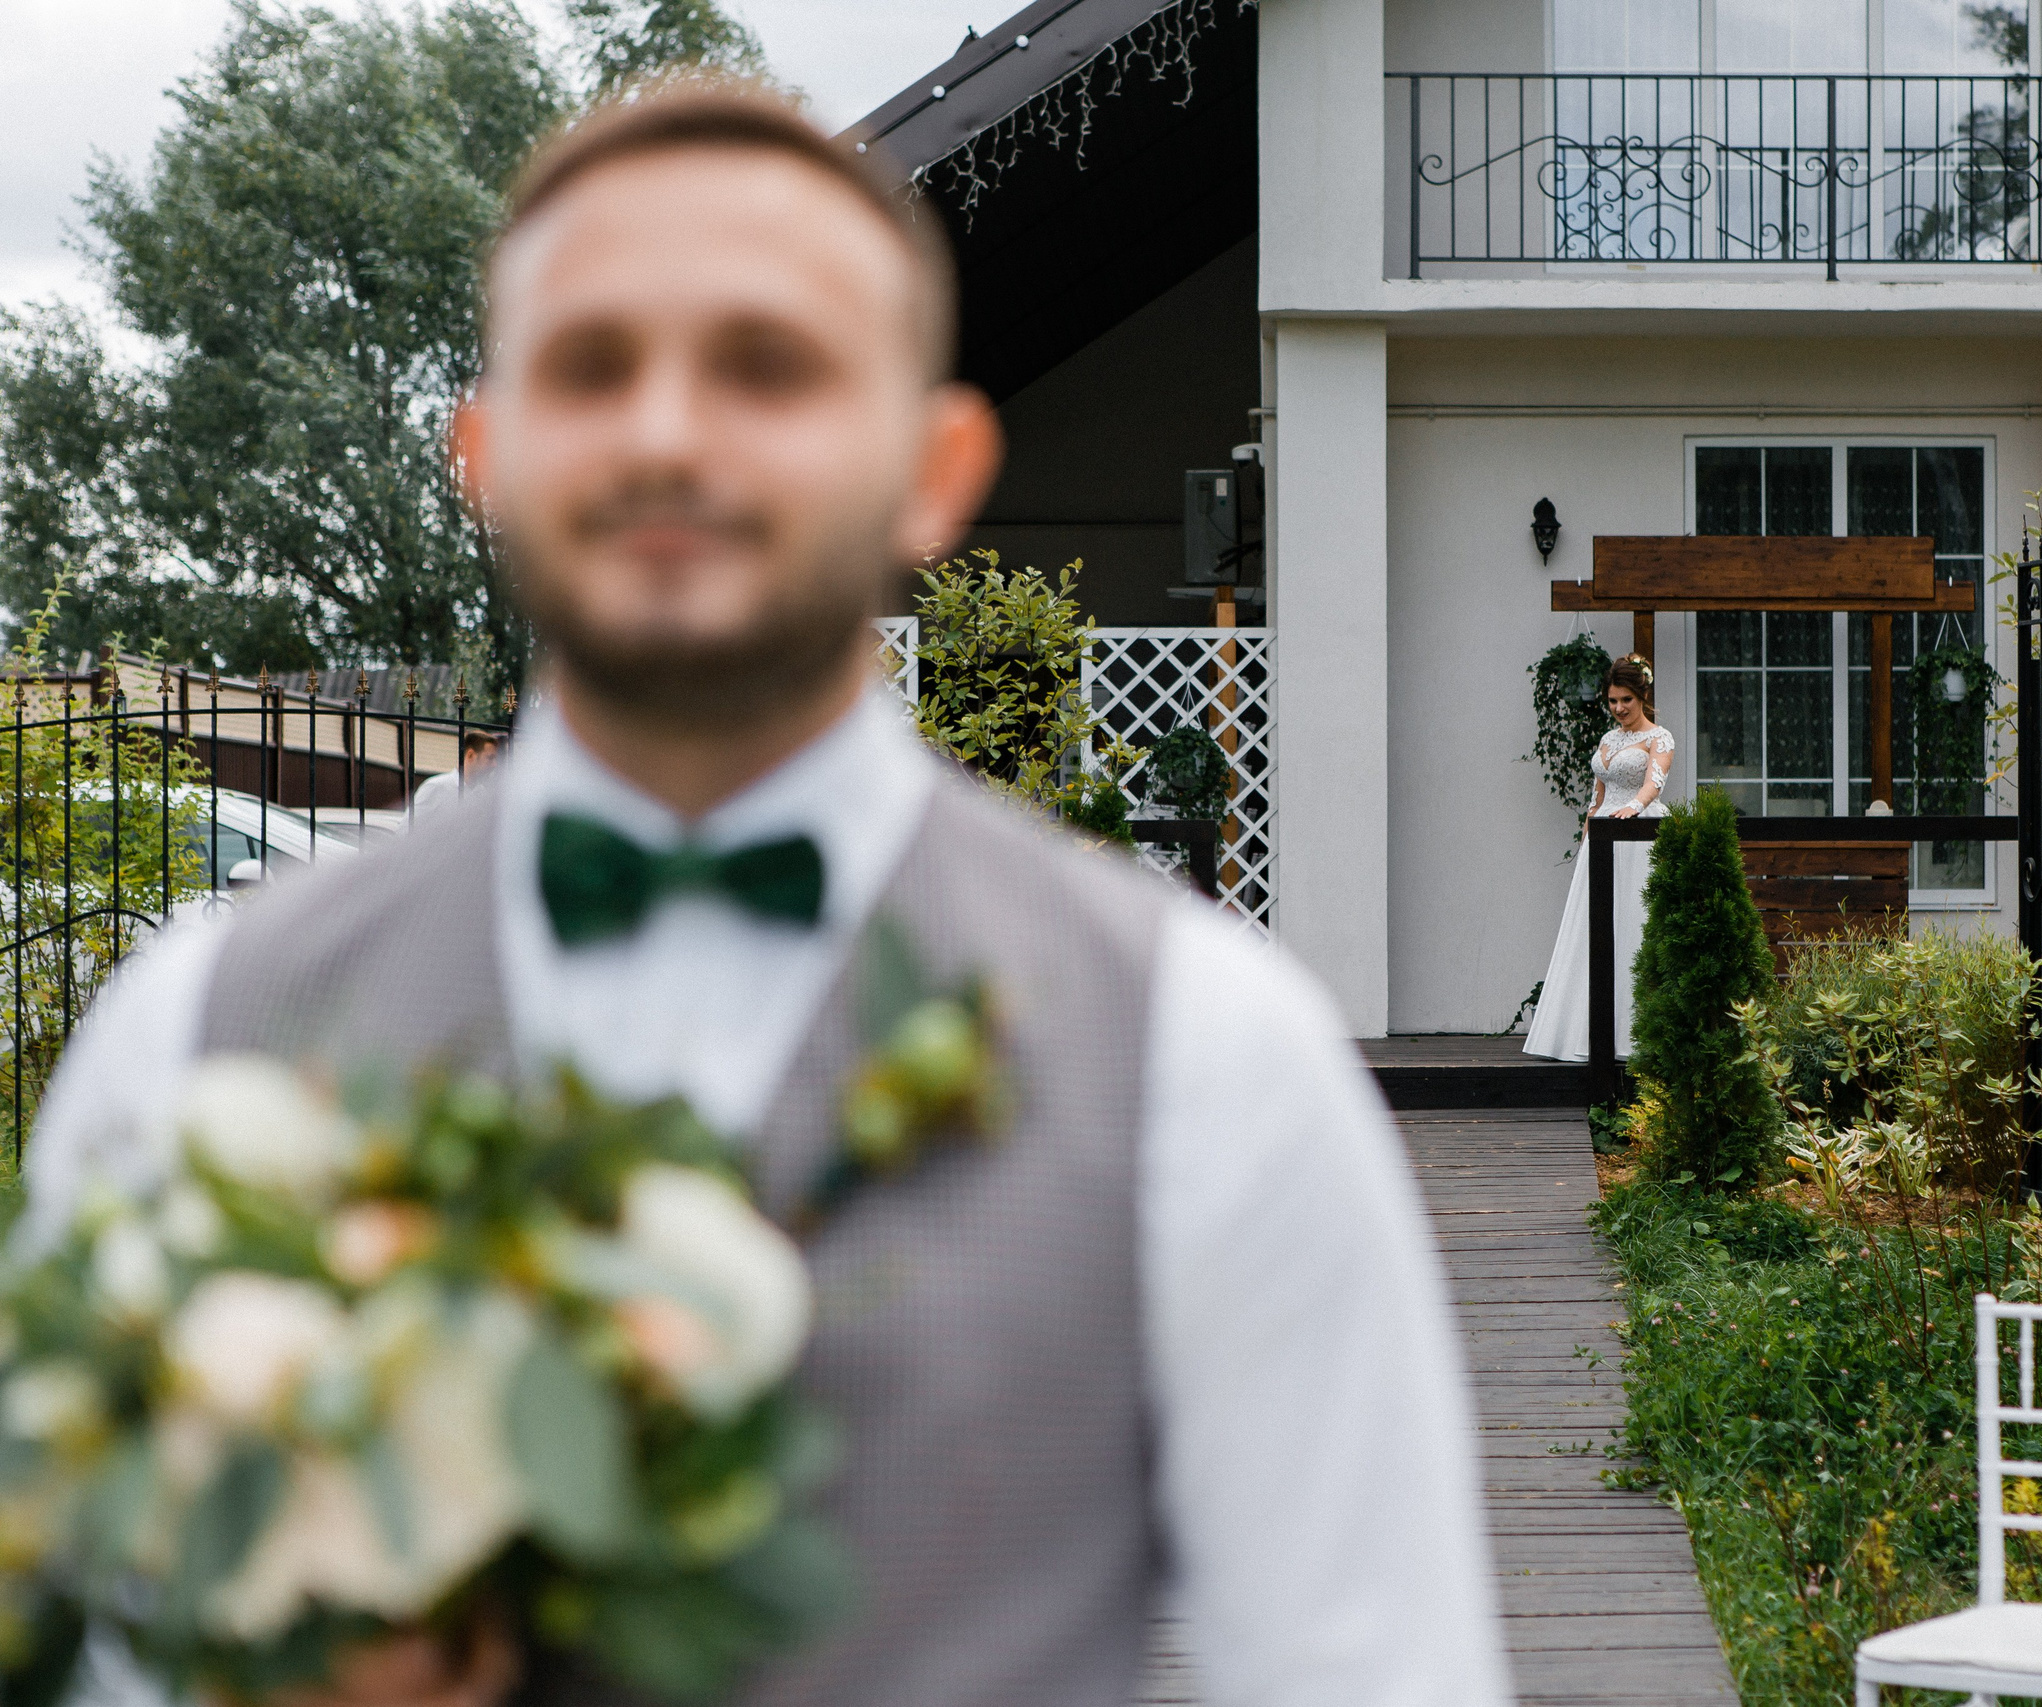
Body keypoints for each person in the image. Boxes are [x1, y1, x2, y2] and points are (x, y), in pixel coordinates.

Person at [24, 77, 1511, 1707]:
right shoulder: (193, 1029)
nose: (669, 432)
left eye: (768, 365)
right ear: (486, 454)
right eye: (593, 365)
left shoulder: (1214, 1052)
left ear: (937, 467)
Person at [1522, 655, 1672, 1063]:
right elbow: (1598, 796)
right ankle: (1578, 1032)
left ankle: (1633, 1034)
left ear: (1642, 695)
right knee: (1593, 927)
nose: (1619, 708)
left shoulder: (1660, 738)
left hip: (1637, 835)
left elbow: (1653, 783)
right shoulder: (1607, 740)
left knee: (1632, 925)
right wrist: (1590, 828)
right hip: (1602, 835)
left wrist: (1634, 809)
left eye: (1626, 699)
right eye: (1612, 701)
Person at [407, 727, 505, 818]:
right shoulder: (436, 787)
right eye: (489, 758)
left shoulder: (483, 794)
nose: (494, 764)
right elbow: (407, 829)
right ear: (470, 755)